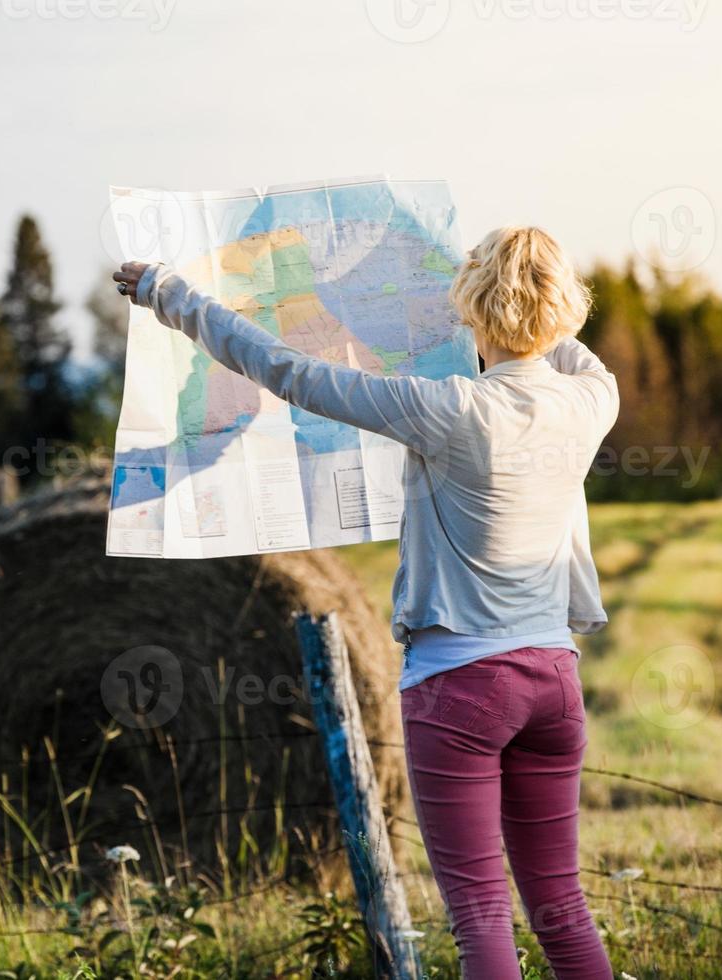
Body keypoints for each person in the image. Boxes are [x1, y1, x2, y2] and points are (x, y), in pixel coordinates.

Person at [114, 224, 617, 979]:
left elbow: (284, 369)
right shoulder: (589, 403)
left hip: (461, 686)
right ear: (565, 304)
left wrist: (169, 294)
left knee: (481, 914)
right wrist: (526, 297)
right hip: (554, 681)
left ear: (473, 310)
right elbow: (572, 353)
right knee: (561, 908)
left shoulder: (448, 409)